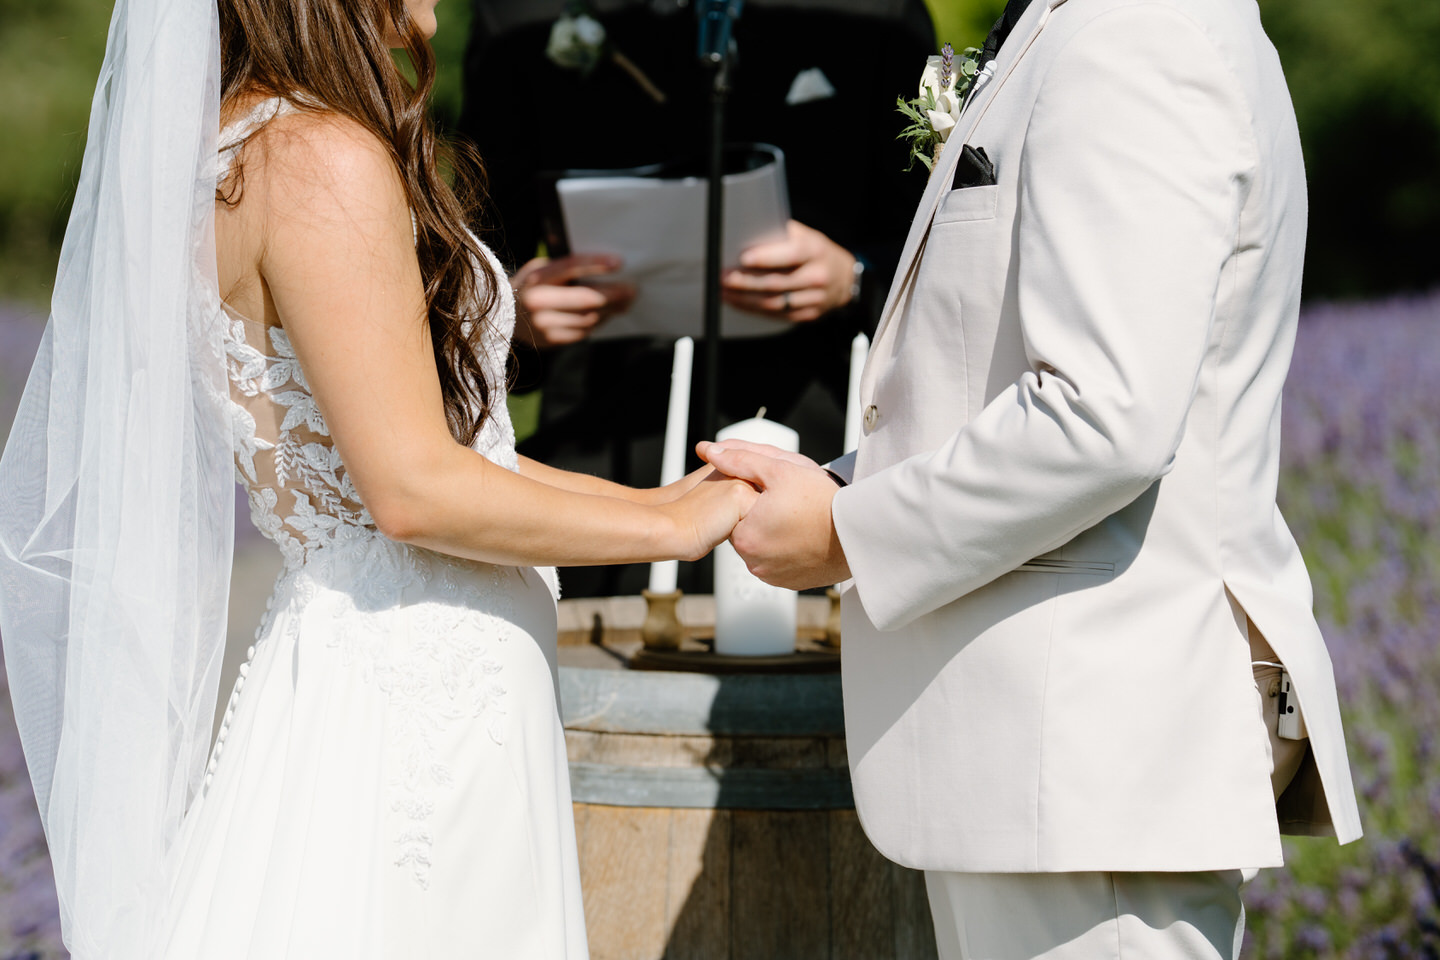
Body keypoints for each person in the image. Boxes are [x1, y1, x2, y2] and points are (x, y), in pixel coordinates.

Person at [0, 0, 754, 956]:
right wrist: (672, 534)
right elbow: (412, 491)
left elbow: (456, 459)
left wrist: (672, 503)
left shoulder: (249, 147)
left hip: (396, 676)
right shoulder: (318, 157)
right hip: (414, 723)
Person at [699, 0, 1365, 956]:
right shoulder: (1081, 23)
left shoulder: (1142, 36)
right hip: (1042, 770)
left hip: (1088, 761)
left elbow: (1105, 416)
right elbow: (998, 380)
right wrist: (837, 486)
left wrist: (851, 533)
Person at [460, 0, 936, 596]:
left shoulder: (878, 15)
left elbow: (937, 241)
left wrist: (857, 275)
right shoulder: (522, 19)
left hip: (811, 447)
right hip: (601, 451)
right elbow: (474, 246)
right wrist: (513, 309)